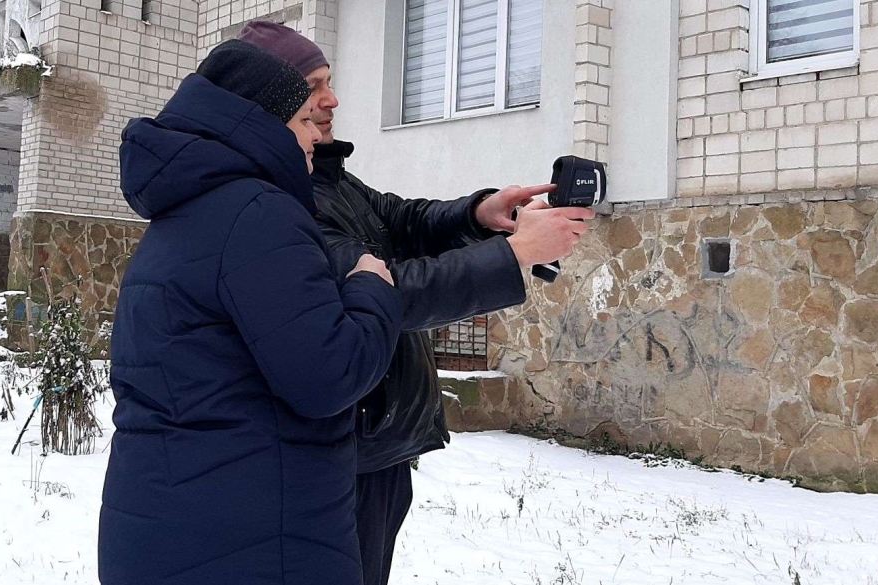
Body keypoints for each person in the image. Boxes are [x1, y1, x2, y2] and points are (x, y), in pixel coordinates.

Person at [238, 22, 595, 585]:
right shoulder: (282, 195)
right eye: (313, 87)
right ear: (270, 101)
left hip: (375, 442)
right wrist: (515, 255)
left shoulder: (328, 176)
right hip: (339, 448)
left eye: (330, 82)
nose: (331, 100)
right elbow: (381, 294)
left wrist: (477, 214)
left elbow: (397, 220)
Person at [99, 40, 403, 585]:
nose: (317, 135)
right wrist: (371, 288)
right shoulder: (259, 215)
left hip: (174, 528)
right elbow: (327, 376)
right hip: (253, 544)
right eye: (305, 120)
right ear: (263, 125)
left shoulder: (186, 213)